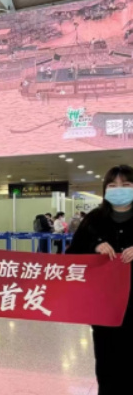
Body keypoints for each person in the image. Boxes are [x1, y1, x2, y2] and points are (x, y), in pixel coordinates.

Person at [67, 165, 133, 394]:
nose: (119, 189)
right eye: (112, 185)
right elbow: (71, 256)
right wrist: (94, 247)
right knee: (107, 365)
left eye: (126, 184)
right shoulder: (94, 220)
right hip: (105, 309)